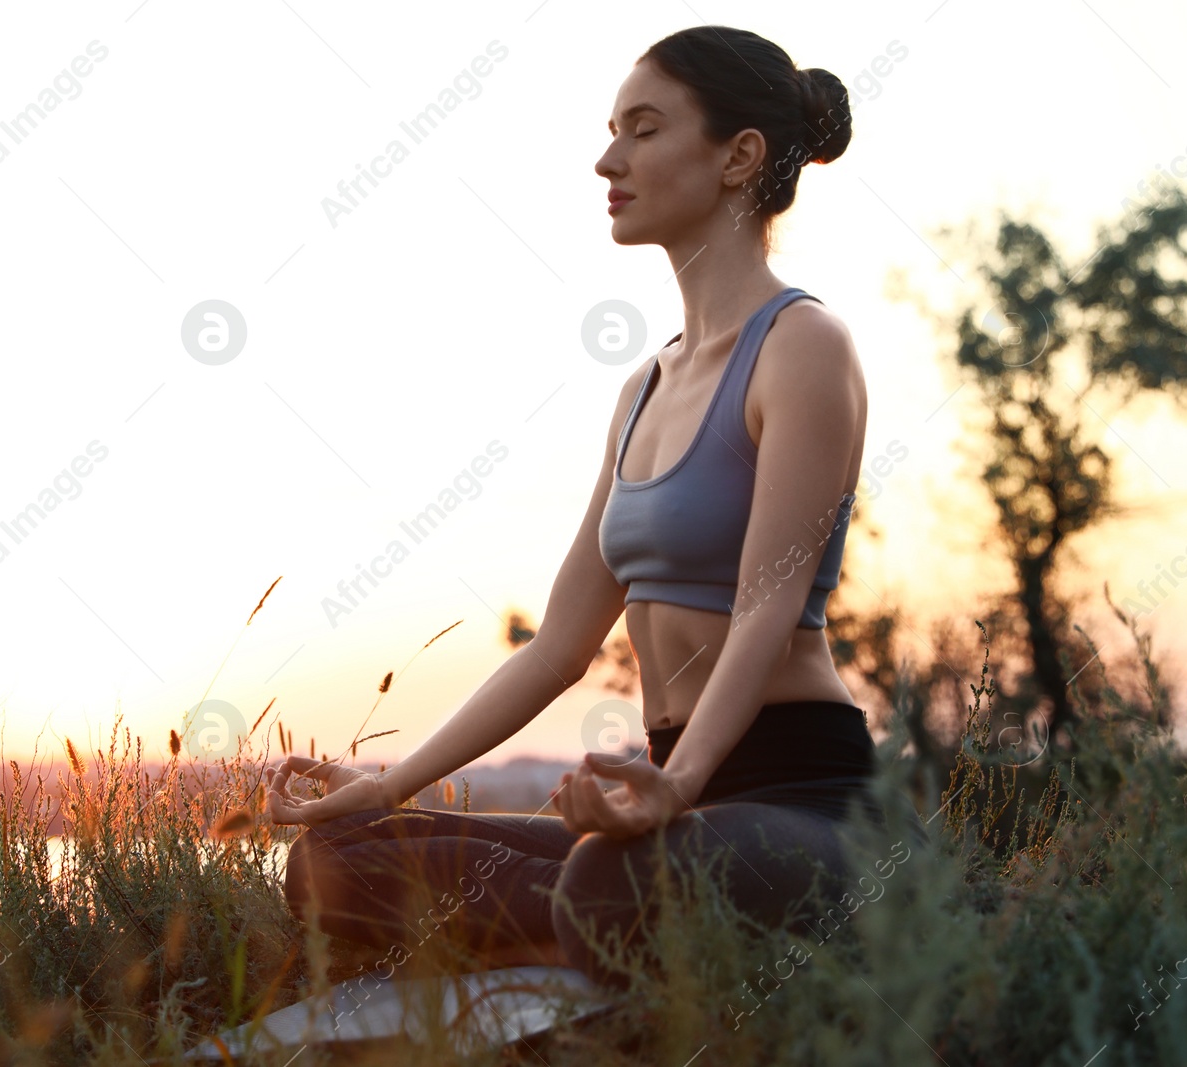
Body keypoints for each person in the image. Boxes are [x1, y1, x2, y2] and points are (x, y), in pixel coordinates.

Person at [263, 25, 929, 990]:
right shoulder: (645, 387)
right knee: (336, 858)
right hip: (667, 803)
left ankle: (589, 945)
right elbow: (557, 648)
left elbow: (765, 608)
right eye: (613, 129)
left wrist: (680, 787)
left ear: (740, 156)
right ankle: (611, 947)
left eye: (645, 130)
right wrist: (387, 781)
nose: (607, 159)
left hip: (803, 802)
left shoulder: (804, 347)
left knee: (616, 875)